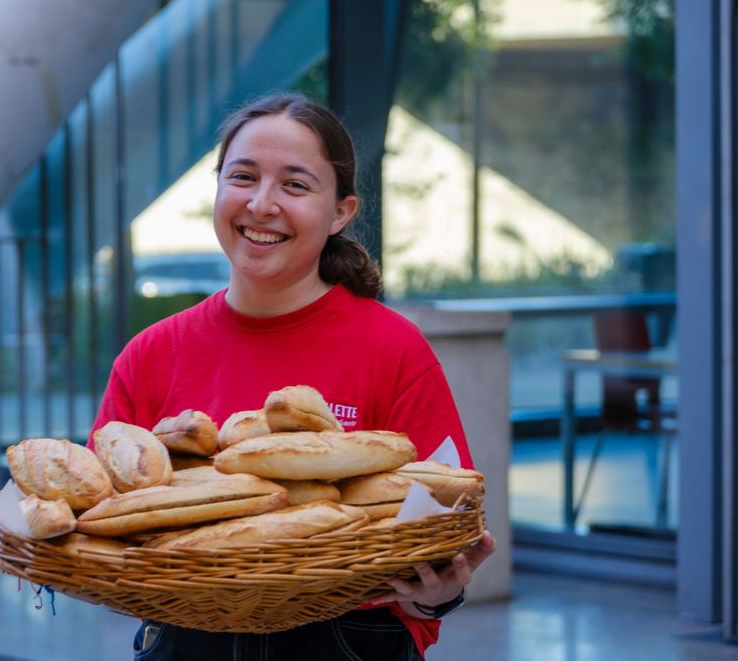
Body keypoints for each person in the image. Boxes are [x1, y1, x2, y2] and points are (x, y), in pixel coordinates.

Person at [87, 92, 496, 660]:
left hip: (346, 637)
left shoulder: (391, 348)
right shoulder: (153, 353)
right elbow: (101, 525)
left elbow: (439, 516)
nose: (261, 204)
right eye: (243, 177)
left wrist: (436, 596)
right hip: (187, 639)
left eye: (295, 185)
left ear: (340, 212)